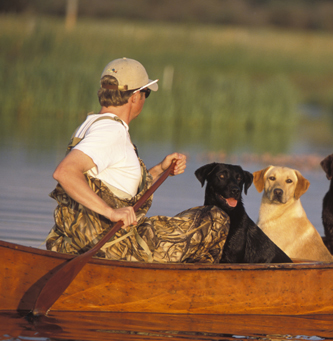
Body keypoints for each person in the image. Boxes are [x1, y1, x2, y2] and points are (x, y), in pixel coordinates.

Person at [46, 58, 229, 263]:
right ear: (134, 97)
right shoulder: (111, 131)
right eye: (146, 94)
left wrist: (160, 169)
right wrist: (111, 212)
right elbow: (65, 172)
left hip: (83, 242)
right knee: (215, 218)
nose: (144, 99)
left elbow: (115, 186)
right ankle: (194, 288)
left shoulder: (91, 125)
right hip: (114, 246)